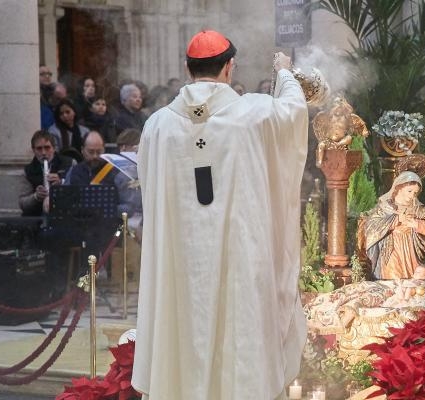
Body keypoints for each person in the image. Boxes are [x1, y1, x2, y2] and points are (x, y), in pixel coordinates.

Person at [133, 30, 308, 400]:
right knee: (240, 325)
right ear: (230, 67)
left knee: (182, 324)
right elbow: (293, 111)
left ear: (187, 68)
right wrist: (286, 72)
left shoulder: (158, 126)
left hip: (179, 261)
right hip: (239, 259)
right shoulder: (256, 113)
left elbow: (149, 189)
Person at [363, 171, 425, 280]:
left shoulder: (417, 209)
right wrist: (396, 219)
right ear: (399, 188)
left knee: (413, 281)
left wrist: (417, 224)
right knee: (394, 279)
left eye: (415, 193)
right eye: (409, 191)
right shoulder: (386, 207)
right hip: (391, 248)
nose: (412, 196)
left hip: (411, 251)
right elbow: (372, 227)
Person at [18, 130, 75, 216]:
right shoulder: (28, 171)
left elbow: (77, 191)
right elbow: (22, 203)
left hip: (64, 215)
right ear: (33, 150)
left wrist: (62, 182)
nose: (44, 153)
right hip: (37, 217)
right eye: (39, 149)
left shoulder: (69, 163)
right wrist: (36, 197)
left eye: (47, 147)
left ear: (54, 148)